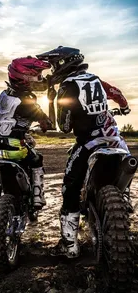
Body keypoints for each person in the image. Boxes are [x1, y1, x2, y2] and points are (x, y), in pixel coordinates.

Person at [37, 46, 131, 258]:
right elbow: (116, 93)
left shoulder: (68, 86)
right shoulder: (95, 79)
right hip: (115, 140)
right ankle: (125, 202)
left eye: (53, 65)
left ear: (63, 64)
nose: (52, 70)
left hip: (89, 143)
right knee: (125, 171)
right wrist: (123, 108)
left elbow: (65, 126)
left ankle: (69, 246)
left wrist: (54, 102)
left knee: (70, 186)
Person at [0, 56, 52, 218]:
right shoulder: (28, 100)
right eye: (37, 75)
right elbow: (45, 122)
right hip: (14, 148)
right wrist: (46, 122)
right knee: (37, 159)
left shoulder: (4, 95)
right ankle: (37, 196)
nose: (39, 79)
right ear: (25, 77)